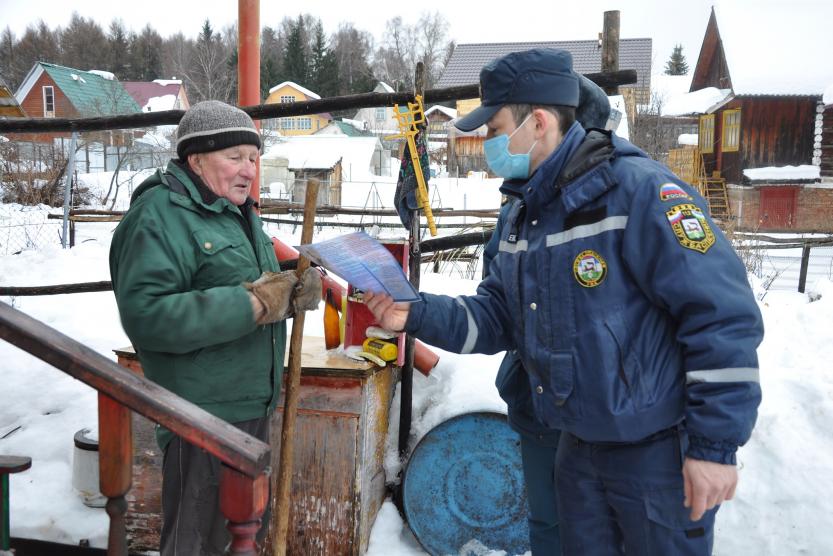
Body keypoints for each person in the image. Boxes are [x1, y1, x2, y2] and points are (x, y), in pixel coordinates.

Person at [366, 48, 763, 555]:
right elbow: (498, 316)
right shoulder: (522, 213)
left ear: (537, 122)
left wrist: (713, 446)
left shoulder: (638, 193)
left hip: (654, 455)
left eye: (494, 128)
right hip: (576, 451)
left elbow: (721, 317)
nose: (486, 142)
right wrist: (414, 313)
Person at [109, 100, 321, 556]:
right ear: (196, 158)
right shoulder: (159, 216)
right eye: (235, 157)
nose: (248, 170)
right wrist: (254, 303)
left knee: (239, 538)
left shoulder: (236, 213)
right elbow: (147, 316)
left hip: (250, 409)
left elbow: (246, 277)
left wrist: (293, 281)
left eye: (253, 157)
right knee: (196, 542)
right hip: (200, 418)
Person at [482, 74, 613, 555]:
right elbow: (498, 294)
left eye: (498, 129)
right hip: (535, 398)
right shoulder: (517, 201)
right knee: (548, 526)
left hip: (602, 412)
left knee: (594, 531)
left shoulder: (619, 200)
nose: (491, 144)